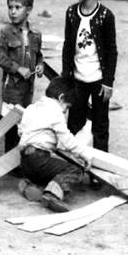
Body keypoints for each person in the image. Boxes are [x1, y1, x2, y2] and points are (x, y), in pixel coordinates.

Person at [62, 0, 117, 188]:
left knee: (100, 127)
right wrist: (66, 78)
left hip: (98, 81)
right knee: (74, 123)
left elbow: (112, 51)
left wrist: (108, 83)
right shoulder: (71, 13)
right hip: (77, 81)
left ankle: (99, 173)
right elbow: (67, 47)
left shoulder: (105, 16)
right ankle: (76, 169)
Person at [18, 77, 93, 212]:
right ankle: (53, 195)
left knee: (50, 172)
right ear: (61, 98)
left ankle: (31, 186)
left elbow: (21, 131)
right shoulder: (55, 112)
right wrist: (84, 155)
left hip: (25, 162)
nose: (65, 111)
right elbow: (68, 140)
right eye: (67, 106)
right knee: (74, 170)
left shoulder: (31, 108)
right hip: (39, 159)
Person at [0, 0, 44, 153]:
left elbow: (39, 56)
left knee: (24, 123)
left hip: (28, 88)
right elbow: (0, 57)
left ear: (28, 9)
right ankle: (10, 162)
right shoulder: (6, 33)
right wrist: (17, 69)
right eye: (10, 7)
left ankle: (20, 159)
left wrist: (40, 66)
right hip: (12, 88)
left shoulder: (35, 35)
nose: (13, 12)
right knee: (11, 125)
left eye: (18, 7)